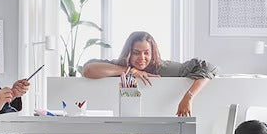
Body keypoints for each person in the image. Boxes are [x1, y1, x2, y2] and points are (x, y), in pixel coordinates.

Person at [82, 31, 218, 116]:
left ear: (152, 52)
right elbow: (88, 69)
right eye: (136, 53)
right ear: (128, 53)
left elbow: (209, 68)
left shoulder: (163, 67)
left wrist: (188, 97)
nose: (142, 58)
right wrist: (129, 71)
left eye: (146, 53)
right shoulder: (120, 65)